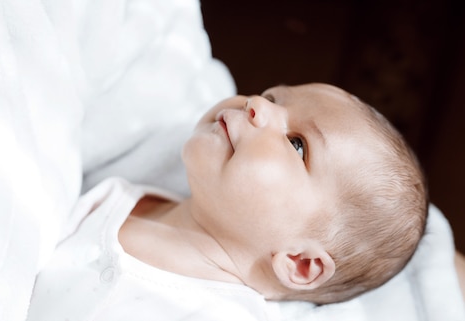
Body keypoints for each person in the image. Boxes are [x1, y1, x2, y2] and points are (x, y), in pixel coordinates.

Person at [27, 82, 428, 320]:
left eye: (297, 144)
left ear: (300, 263)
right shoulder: (121, 195)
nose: (259, 105)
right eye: (274, 96)